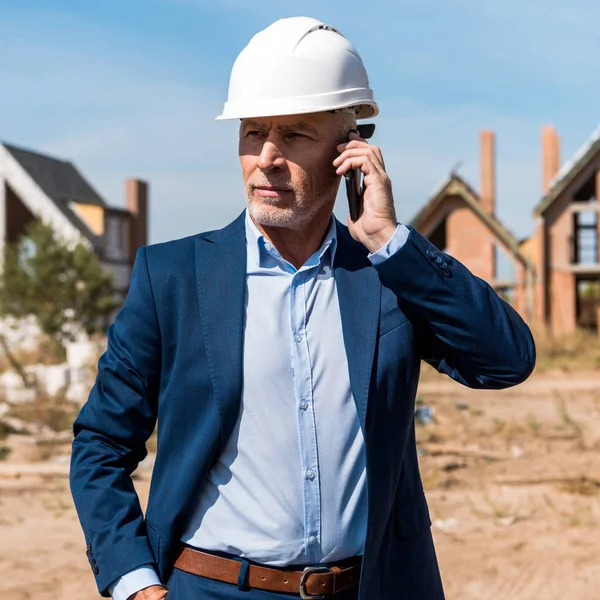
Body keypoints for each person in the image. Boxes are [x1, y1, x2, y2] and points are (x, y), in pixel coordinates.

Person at [70, 16, 536, 600]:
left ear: (349, 152)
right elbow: (101, 445)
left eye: (294, 135)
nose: (266, 157)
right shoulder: (172, 278)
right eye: (252, 132)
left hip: (372, 587)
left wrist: (390, 240)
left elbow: (506, 361)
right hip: (211, 589)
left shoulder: (387, 276)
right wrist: (134, 584)